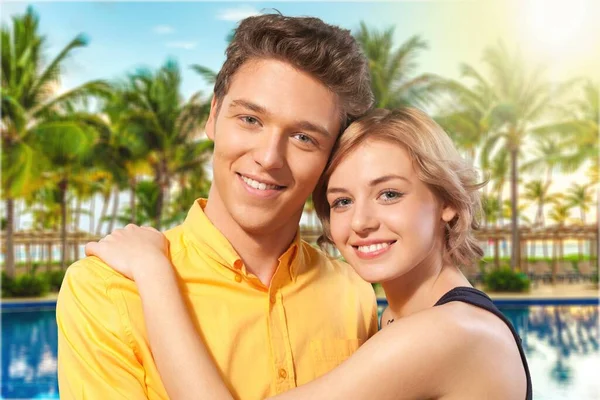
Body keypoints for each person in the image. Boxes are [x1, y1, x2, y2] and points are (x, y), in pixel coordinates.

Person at [87, 108, 533, 400]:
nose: (360, 222)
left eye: (389, 194)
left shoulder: (451, 332)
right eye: (341, 201)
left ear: (448, 203)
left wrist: (153, 271)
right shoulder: (399, 320)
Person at [56, 13, 378, 400]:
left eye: (303, 137)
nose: (269, 157)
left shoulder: (354, 292)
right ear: (213, 117)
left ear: (332, 157)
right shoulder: (106, 290)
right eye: (250, 119)